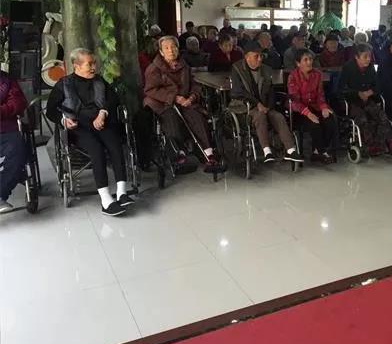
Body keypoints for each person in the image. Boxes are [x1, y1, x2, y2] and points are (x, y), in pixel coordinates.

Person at [46, 49, 133, 216]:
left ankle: (122, 192)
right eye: (89, 64)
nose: (94, 67)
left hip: (101, 123)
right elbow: (51, 110)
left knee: (115, 145)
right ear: (76, 65)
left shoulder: (99, 81)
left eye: (94, 63)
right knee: (96, 149)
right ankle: (106, 199)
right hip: (78, 128)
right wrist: (64, 120)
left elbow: (113, 99)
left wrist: (103, 113)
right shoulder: (64, 84)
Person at [144, 36, 222, 171]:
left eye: (173, 47)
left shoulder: (184, 65)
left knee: (197, 117)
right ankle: (179, 155)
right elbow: (150, 90)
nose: (171, 50)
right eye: (166, 48)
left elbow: (194, 84)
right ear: (161, 52)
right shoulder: (154, 69)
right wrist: (174, 98)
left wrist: (192, 97)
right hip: (164, 104)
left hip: (185, 101)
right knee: (172, 119)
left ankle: (208, 154)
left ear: (178, 48)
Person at [229, 41, 304, 164]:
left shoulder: (266, 69)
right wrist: (257, 104)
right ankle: (267, 151)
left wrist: (269, 106)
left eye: (261, 56)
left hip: (265, 106)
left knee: (278, 116)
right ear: (247, 57)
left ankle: (290, 151)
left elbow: (271, 91)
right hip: (245, 107)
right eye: (256, 56)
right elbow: (238, 92)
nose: (260, 59)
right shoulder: (237, 68)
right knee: (260, 116)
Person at [337, 43, 392, 156]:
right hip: (352, 101)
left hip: (368, 99)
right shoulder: (348, 68)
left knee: (381, 115)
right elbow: (341, 89)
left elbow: (378, 86)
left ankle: (387, 142)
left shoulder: (371, 68)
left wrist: (370, 91)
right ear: (357, 57)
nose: (368, 59)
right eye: (365, 56)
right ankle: (370, 145)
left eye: (369, 56)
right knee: (363, 118)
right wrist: (357, 93)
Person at [287, 48, 337, 164]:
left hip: (315, 106)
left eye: (310, 59)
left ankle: (317, 151)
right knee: (315, 124)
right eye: (305, 60)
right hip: (300, 110)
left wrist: (324, 107)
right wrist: (308, 113)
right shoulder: (293, 76)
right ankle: (322, 152)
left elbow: (320, 95)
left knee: (330, 119)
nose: (309, 62)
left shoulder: (317, 74)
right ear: (298, 63)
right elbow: (294, 101)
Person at [0, 72, 28, 213]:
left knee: (19, 152)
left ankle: (0, 193)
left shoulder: (7, 81)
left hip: (6, 129)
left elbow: (18, 103)